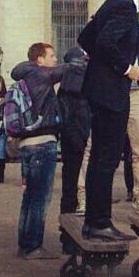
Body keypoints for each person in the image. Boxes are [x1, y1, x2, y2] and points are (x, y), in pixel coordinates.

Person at [78, 0, 139, 240]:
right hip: (111, 91)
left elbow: (85, 37)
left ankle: (94, 221)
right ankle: (100, 223)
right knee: (106, 157)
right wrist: (127, 69)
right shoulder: (126, 7)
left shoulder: (116, 3)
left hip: (101, 88)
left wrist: (103, 65)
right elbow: (101, 41)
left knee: (101, 157)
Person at [10, 42, 65, 258]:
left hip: (27, 143)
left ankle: (25, 243)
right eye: (51, 56)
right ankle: (33, 246)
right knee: (40, 198)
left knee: (30, 196)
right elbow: (70, 69)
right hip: (42, 142)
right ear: (40, 60)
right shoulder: (41, 75)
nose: (54, 60)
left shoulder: (26, 76)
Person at [58, 47, 92, 215]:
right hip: (81, 134)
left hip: (69, 135)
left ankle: (66, 223)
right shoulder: (82, 81)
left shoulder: (64, 84)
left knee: (69, 179)